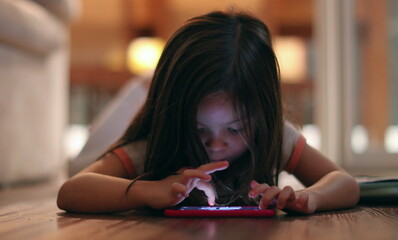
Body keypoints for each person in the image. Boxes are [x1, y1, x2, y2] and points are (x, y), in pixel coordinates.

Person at [57, 10, 360, 214]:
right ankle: (145, 85)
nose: (216, 144)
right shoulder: (156, 142)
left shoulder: (273, 135)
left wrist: (309, 198)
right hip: (128, 121)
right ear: (176, 118)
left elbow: (343, 182)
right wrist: (147, 190)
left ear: (261, 116)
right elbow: (72, 190)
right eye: (200, 129)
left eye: (236, 128)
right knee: (86, 161)